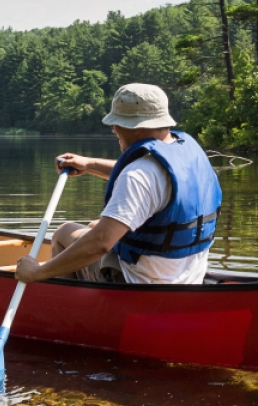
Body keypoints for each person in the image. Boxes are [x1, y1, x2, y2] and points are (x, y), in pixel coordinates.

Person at [15, 83, 221, 285]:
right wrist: (89, 165)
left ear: (138, 128)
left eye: (118, 123)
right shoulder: (188, 155)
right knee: (96, 225)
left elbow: (100, 243)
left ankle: (72, 313)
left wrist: (37, 272)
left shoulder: (138, 175)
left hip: (139, 281)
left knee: (64, 232)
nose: (113, 129)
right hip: (188, 277)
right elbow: (151, 181)